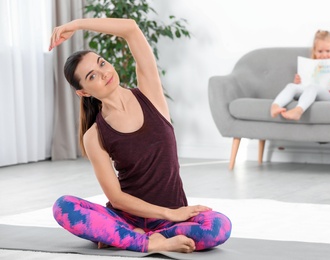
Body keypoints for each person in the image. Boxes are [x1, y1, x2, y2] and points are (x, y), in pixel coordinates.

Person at [49, 18, 232, 253]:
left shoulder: (150, 94)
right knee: (63, 207)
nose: (104, 74)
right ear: (83, 92)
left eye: (102, 64)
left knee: (219, 227)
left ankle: (129, 239)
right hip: (128, 218)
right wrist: (170, 213)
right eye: (92, 76)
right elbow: (116, 199)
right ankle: (148, 242)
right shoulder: (94, 135)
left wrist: (77, 25)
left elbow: (131, 29)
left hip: (171, 220)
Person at [270, 30, 330, 120]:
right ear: (314, 51)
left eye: (328, 51)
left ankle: (298, 110)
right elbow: (304, 85)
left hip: (329, 96)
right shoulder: (310, 65)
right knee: (291, 86)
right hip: (309, 92)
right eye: (320, 51)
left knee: (313, 87)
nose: (324, 55)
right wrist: (298, 82)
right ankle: (275, 105)